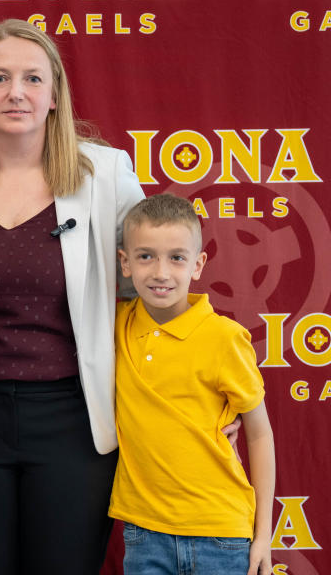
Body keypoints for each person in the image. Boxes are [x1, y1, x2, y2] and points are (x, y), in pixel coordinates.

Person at [0, 18, 145, 573]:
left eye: (31, 78)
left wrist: (197, 392)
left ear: (55, 93)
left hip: (73, 419)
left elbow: (154, 289)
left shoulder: (107, 173)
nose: (15, 92)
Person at [110, 193, 275, 575]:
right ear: (124, 262)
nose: (161, 272)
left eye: (177, 257)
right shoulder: (115, 326)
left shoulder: (223, 337)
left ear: (198, 264)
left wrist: (263, 533)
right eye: (146, 256)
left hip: (222, 531)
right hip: (144, 531)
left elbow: (260, 434)